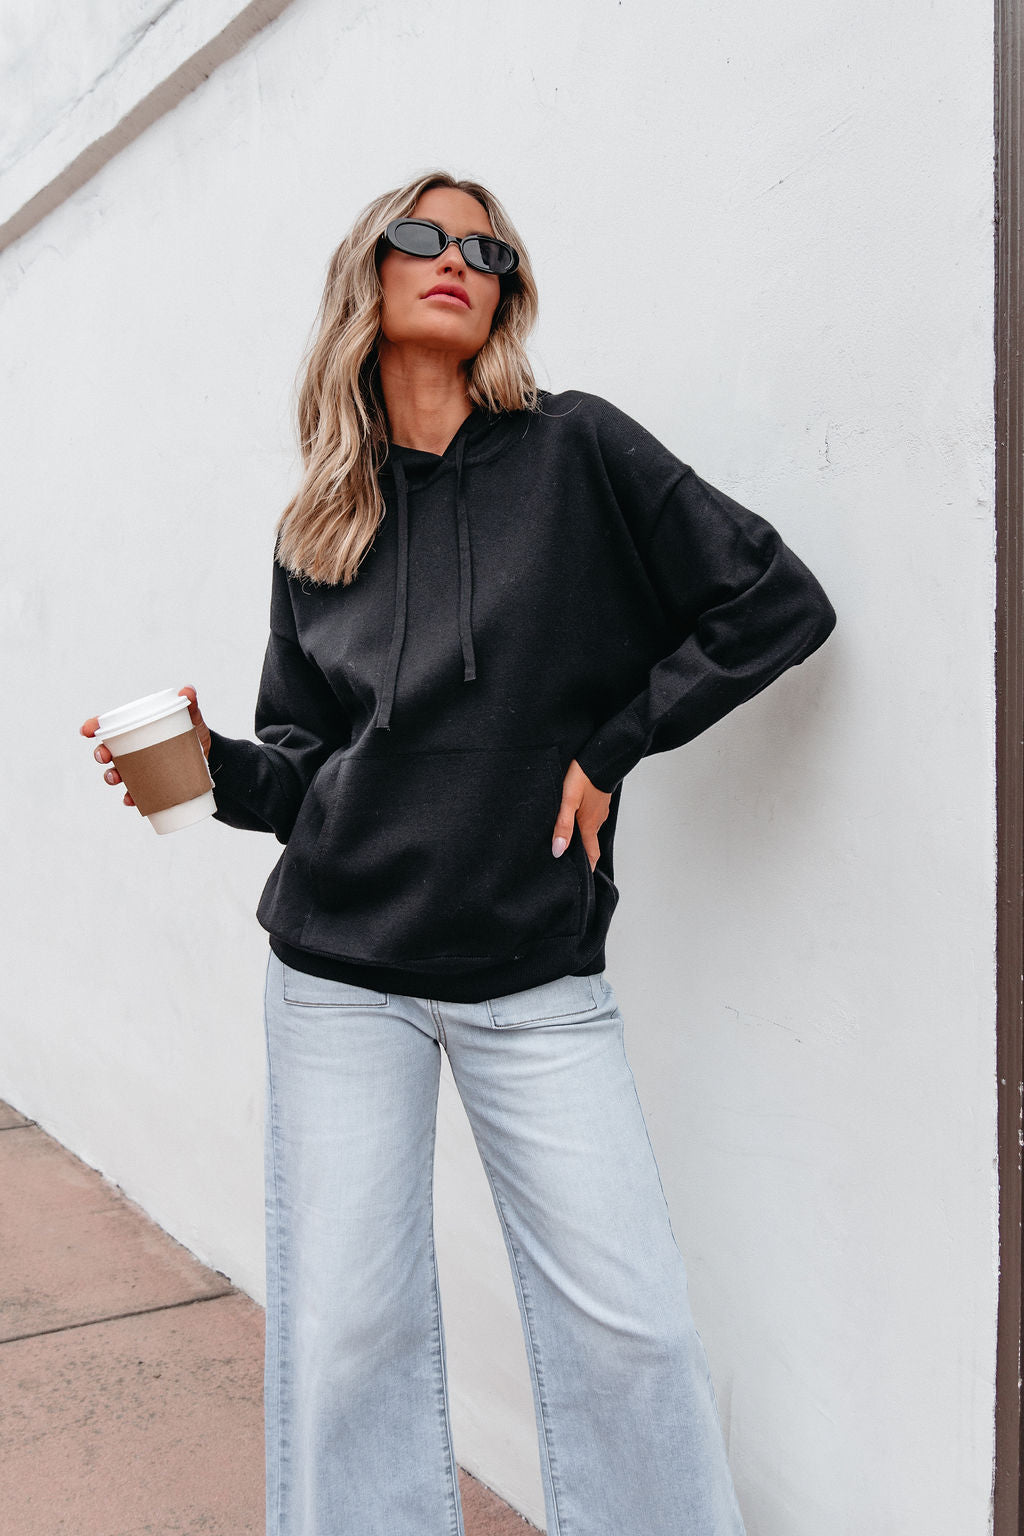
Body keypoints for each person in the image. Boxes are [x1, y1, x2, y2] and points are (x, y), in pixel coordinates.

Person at [82, 170, 835, 1536]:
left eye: (488, 250)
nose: (458, 259)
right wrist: (204, 765)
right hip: (337, 974)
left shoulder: (576, 451)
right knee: (347, 1337)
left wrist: (615, 747)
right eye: (423, 235)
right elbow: (301, 767)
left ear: (506, 294)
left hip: (532, 968)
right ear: (365, 275)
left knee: (632, 1332)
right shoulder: (320, 521)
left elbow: (772, 600)